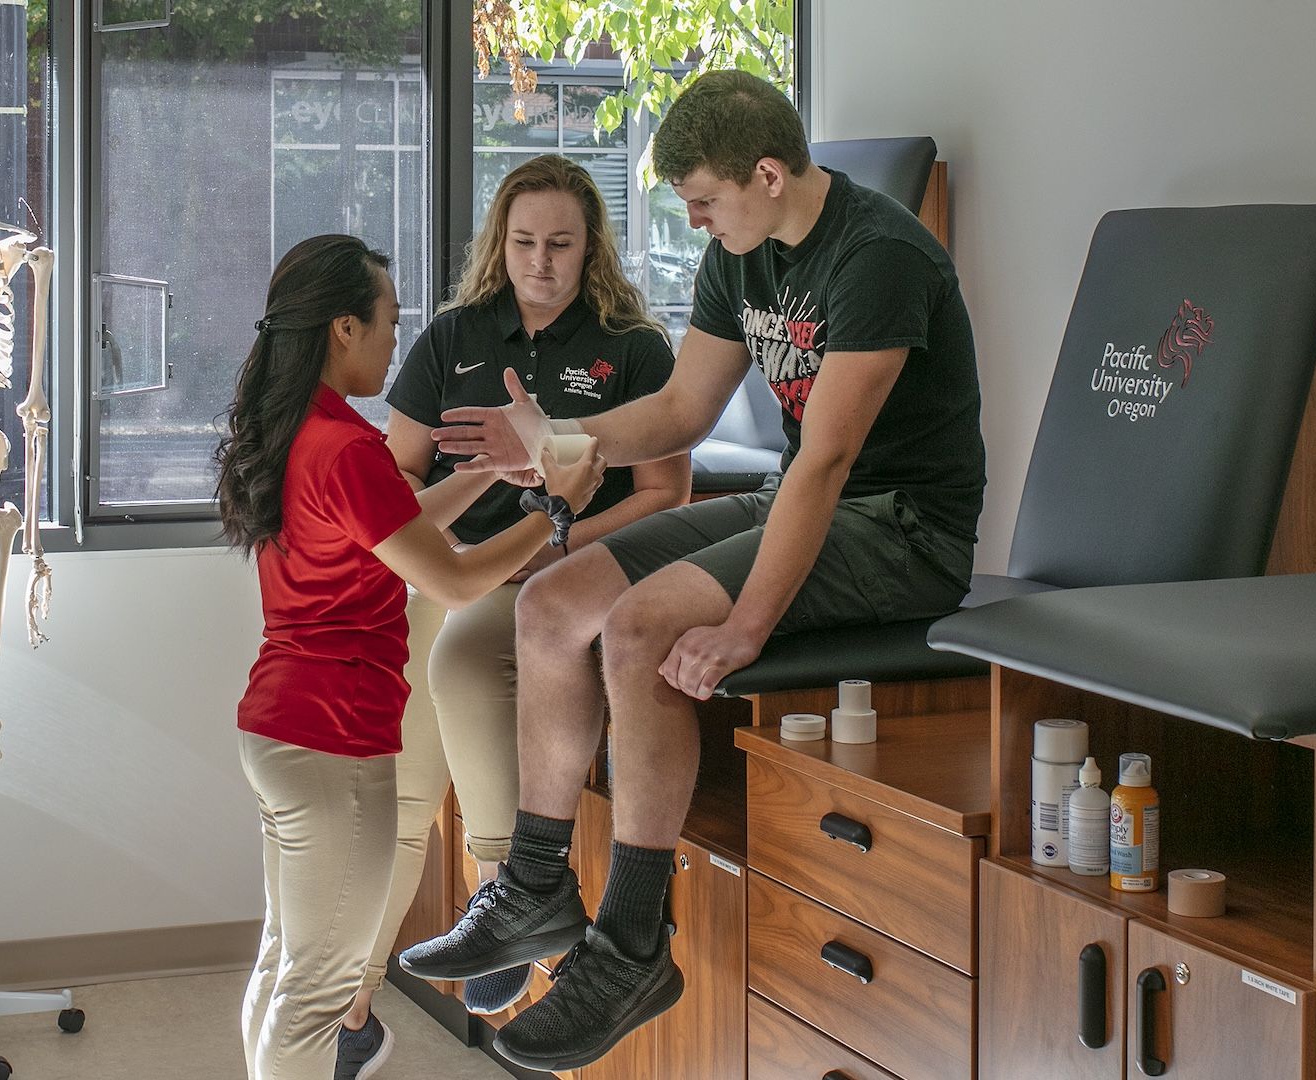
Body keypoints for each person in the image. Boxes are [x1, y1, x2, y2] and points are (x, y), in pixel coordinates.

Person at [400, 69, 986, 1072]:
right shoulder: (744, 252)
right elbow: (678, 414)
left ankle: (632, 947)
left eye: (705, 201)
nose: (695, 221)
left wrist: (745, 626)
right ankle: (538, 887)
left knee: (640, 629)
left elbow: (829, 462)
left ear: (767, 174)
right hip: (805, 500)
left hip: (903, 526)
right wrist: (553, 438)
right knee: (554, 602)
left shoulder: (879, 256)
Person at [214, 233, 605, 1080]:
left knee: (288, 964)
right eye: (389, 321)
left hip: (278, 729)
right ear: (343, 328)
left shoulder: (304, 431)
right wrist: (559, 512)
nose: (398, 340)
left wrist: (501, 475)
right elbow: (455, 582)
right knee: (318, 990)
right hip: (331, 741)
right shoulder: (346, 447)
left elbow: (396, 524)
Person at [335, 154, 689, 1072]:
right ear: (501, 243)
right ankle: (353, 1009)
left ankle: (511, 894)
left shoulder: (634, 347)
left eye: (561, 244)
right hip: (446, 571)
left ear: (590, 249)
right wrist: (458, 507)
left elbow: (666, 493)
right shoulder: (454, 337)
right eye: (525, 242)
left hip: (554, 571)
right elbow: (398, 474)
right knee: (397, 791)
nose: (541, 261)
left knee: (460, 663)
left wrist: (560, 543)